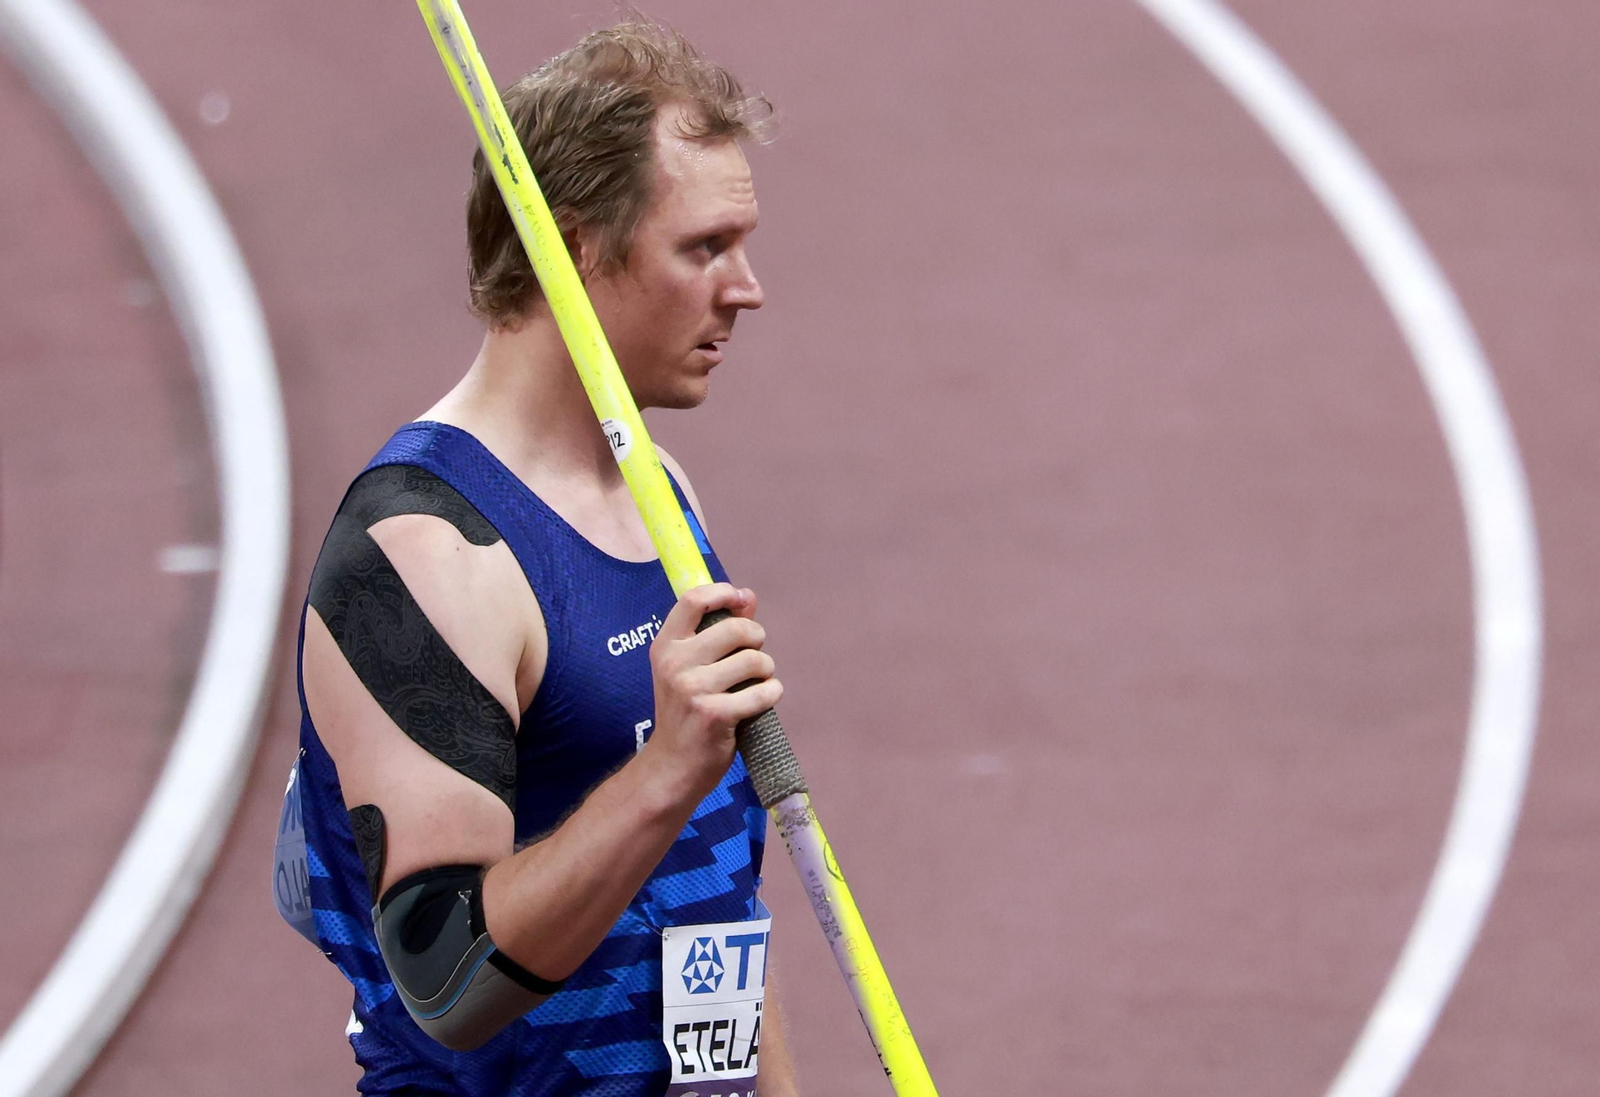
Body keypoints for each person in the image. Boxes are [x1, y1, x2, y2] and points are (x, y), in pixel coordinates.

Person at [272, 20, 798, 1096]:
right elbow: (447, 975)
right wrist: (662, 773)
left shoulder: (660, 493)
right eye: (704, 247)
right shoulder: (422, 550)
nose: (746, 289)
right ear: (576, 248)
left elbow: (716, 898)